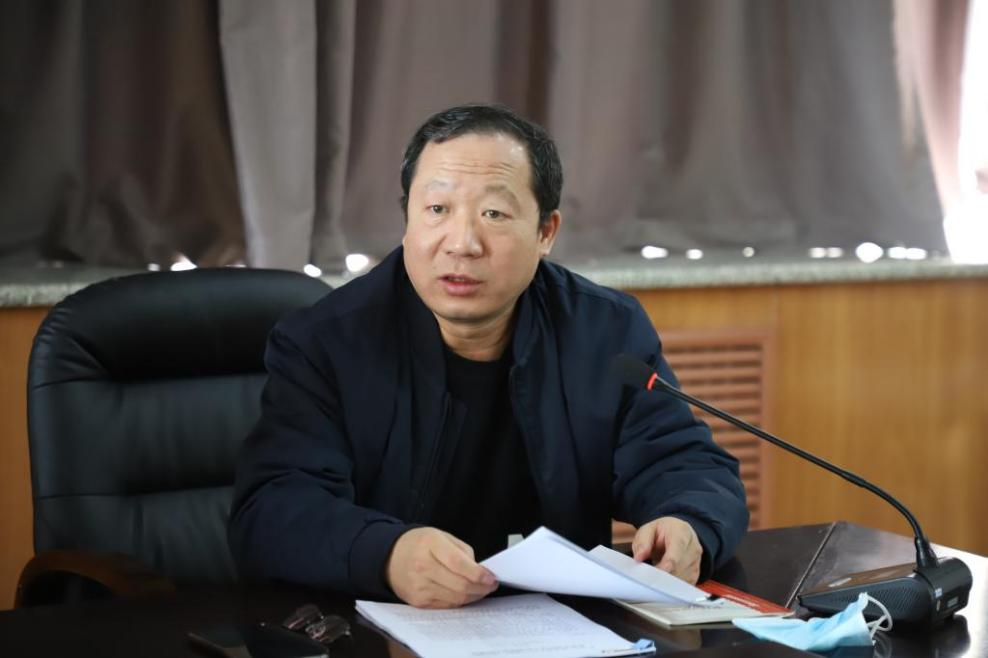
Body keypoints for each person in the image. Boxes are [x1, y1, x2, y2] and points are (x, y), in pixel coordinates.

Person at [228, 103, 748, 609]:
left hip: (559, 628)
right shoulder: (327, 342)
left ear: (546, 232)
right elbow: (272, 508)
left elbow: (682, 461)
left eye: (494, 214)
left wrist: (688, 523)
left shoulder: (604, 330)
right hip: (384, 631)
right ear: (407, 220)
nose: (462, 243)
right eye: (437, 210)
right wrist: (385, 554)